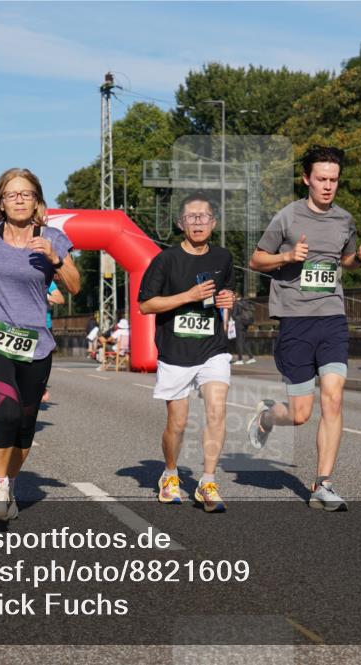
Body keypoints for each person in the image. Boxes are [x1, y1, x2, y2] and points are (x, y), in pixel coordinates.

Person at [247, 145, 361, 511]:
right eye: (321, 179)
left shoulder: (344, 220)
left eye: (333, 180)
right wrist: (287, 257)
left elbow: (346, 260)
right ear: (306, 178)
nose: (327, 186)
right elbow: (256, 259)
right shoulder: (287, 218)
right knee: (301, 414)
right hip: (295, 321)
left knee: (334, 398)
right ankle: (268, 416)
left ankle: (323, 484)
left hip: (332, 317)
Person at [0, 167, 80, 521]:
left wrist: (56, 260)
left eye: (26, 193)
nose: (19, 200)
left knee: (26, 424)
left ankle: (7, 484)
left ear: (37, 200)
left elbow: (74, 286)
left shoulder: (53, 238)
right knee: (8, 410)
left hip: (35, 346)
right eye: (12, 194)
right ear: (0, 201)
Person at [139, 192, 236, 513]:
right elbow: (146, 304)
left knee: (216, 410)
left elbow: (225, 296)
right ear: (181, 223)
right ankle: (169, 474)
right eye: (191, 217)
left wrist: (227, 302)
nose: (198, 222)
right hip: (175, 351)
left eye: (204, 217)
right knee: (177, 424)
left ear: (214, 222)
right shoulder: (165, 260)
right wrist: (188, 295)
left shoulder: (223, 258)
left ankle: (208, 481)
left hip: (213, 348)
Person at [231, 296, 257, 365]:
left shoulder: (236, 303)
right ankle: (251, 358)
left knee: (239, 341)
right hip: (246, 323)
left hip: (239, 323)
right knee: (244, 340)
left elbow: (233, 315)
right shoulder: (246, 302)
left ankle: (240, 359)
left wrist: (236, 318)